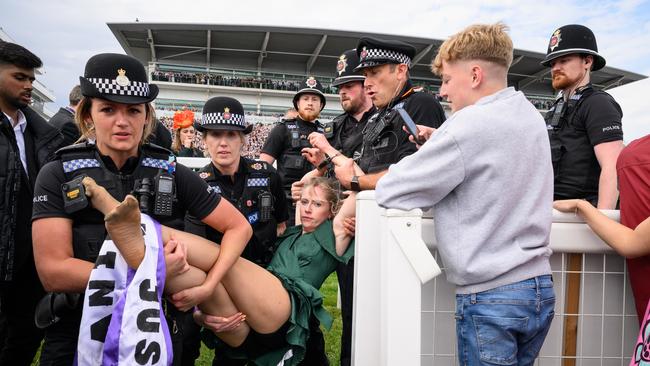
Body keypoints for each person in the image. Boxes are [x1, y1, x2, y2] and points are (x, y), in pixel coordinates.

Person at [30, 52, 251, 366]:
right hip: (78, 330)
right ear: (88, 114)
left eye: (133, 110)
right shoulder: (59, 173)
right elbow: (53, 272)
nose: (122, 121)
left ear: (147, 116)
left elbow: (238, 227)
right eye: (108, 109)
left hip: (158, 329)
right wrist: (153, 272)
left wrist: (208, 287)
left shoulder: (170, 171)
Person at [374, 23, 555, 365]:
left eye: (446, 80)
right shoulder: (530, 115)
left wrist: (441, 144)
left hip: (492, 296)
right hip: (538, 288)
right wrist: (444, 140)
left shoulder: (467, 125)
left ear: (474, 75)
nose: (442, 92)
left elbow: (391, 190)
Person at [81, 176, 352, 366]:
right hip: (247, 332)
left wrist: (324, 157)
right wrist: (200, 316)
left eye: (317, 205)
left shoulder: (335, 234)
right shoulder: (292, 232)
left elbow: (353, 193)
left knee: (225, 259)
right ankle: (140, 252)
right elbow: (308, 193)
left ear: (332, 211)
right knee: (193, 276)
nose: (307, 209)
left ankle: (137, 224)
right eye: (303, 202)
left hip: (285, 314)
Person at [300, 48, 374, 366]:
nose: (342, 91)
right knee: (351, 309)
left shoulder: (385, 120)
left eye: (350, 84)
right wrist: (320, 168)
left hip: (377, 229)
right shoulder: (335, 128)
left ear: (367, 83)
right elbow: (332, 179)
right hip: (343, 232)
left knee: (378, 307)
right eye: (340, 85)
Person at [0, 41, 64, 366]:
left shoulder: (41, 133)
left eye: (32, 79)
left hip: (31, 259)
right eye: (20, 77)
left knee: (26, 336)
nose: (29, 86)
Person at [332, 36, 446, 192]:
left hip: (401, 215)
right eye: (366, 75)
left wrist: (354, 181)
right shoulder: (378, 115)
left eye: (374, 72)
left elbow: (412, 174)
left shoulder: (420, 104)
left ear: (400, 71)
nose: (367, 83)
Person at [542, 24, 624, 209]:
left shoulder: (597, 103)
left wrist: (603, 221)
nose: (555, 68)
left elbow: (612, 167)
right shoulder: (556, 107)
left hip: (582, 217)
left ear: (587, 62)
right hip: (553, 210)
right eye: (553, 63)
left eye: (564, 60)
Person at [259, 76, 328, 225]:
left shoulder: (328, 134)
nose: (310, 103)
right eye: (306, 98)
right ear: (297, 103)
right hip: (286, 204)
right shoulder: (282, 129)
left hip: (318, 205)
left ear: (321, 104)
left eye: (315, 99)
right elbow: (263, 168)